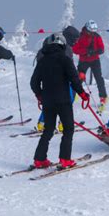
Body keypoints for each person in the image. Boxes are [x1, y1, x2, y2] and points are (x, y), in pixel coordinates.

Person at [30, 32, 89, 169]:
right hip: (63, 101)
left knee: (48, 130)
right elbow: (74, 79)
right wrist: (82, 94)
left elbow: (33, 82)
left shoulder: (42, 61)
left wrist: (40, 95)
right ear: (62, 44)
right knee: (68, 129)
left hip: (48, 101)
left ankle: (40, 159)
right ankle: (65, 159)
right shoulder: (65, 59)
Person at [36, 26, 80, 132]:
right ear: (71, 37)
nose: (76, 42)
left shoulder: (51, 43)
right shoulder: (66, 48)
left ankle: (42, 124)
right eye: (75, 39)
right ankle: (63, 124)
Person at [72, 20, 108, 112]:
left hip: (95, 60)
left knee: (99, 79)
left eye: (94, 32)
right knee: (78, 78)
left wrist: (95, 51)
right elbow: (75, 49)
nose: (92, 33)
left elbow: (102, 49)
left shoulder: (97, 36)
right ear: (87, 29)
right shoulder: (80, 37)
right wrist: (86, 51)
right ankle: (73, 94)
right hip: (83, 61)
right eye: (91, 32)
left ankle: (103, 97)